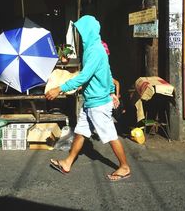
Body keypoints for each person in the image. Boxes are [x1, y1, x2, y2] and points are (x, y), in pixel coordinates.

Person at [45, 15, 131, 181]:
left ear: (87, 32)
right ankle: (68, 162)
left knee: (110, 136)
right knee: (81, 132)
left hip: (98, 103)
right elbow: (108, 71)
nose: (79, 35)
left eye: (80, 31)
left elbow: (84, 76)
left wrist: (60, 88)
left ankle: (124, 167)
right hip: (91, 101)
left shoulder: (95, 51)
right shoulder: (95, 47)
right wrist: (112, 90)